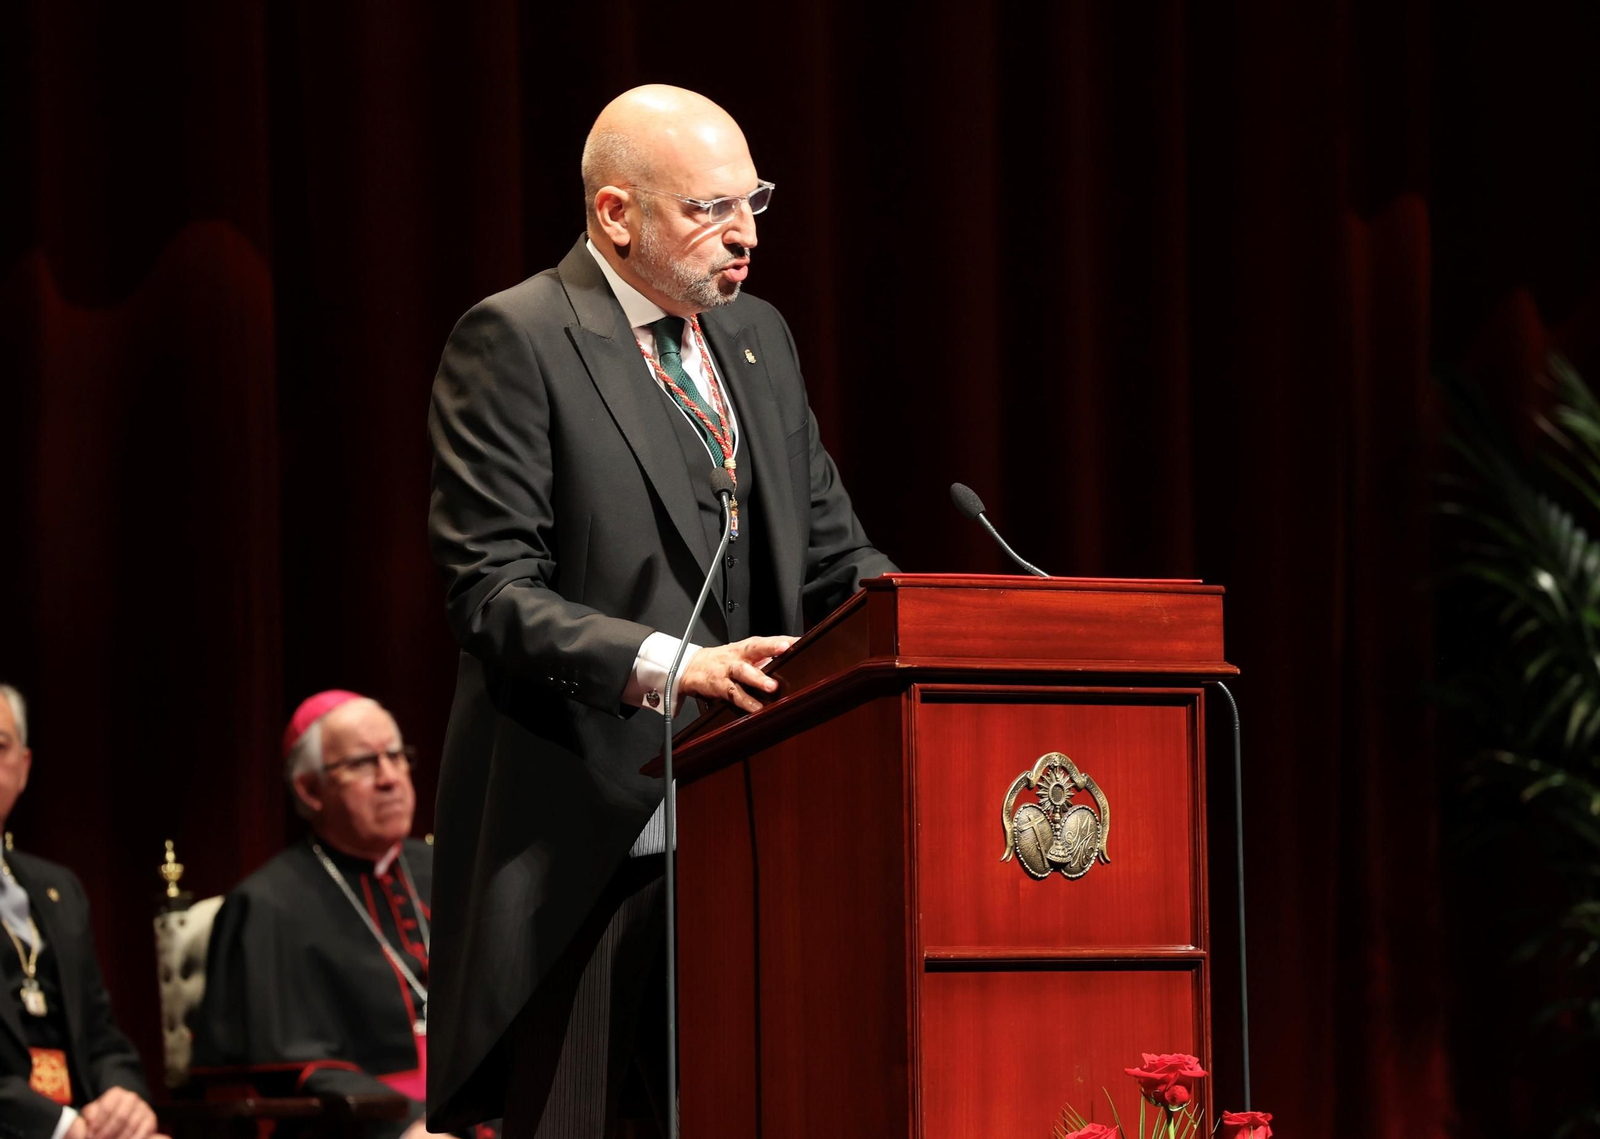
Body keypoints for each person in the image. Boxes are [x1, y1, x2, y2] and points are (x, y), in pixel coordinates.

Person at [425, 85, 896, 1136]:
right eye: (708, 208)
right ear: (616, 214)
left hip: (753, 837)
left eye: (753, 203)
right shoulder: (518, 338)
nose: (745, 236)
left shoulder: (757, 338)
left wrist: (940, 628)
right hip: (585, 844)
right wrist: (674, 666)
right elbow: (491, 590)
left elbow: (835, 556)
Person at [193, 691, 449, 1139]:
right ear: (310, 790)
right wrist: (405, 1124)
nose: (389, 778)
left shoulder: (447, 871)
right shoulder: (267, 905)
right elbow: (290, 1064)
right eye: (363, 763)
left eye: (395, 756)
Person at [0, 684, 162, 1139]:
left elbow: (102, 1037)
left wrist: (123, 1099)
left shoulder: (59, 889)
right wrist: (63, 1127)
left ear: (23, 768)